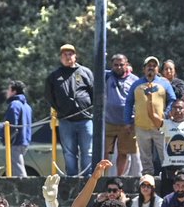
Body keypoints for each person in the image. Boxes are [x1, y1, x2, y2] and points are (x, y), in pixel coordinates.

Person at [46, 43, 95, 177]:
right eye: (65, 55)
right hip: (65, 120)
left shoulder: (86, 72)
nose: (68, 57)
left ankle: (87, 177)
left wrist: (89, 109)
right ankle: (71, 178)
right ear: (60, 57)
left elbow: (94, 93)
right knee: (69, 152)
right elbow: (49, 96)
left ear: (75, 56)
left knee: (88, 151)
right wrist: (61, 109)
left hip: (85, 119)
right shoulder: (54, 76)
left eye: (70, 54)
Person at [125, 55, 177, 178]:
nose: (151, 68)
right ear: (144, 69)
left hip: (160, 125)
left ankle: (168, 178)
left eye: (154, 66)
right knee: (145, 156)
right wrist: (127, 121)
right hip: (141, 125)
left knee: (165, 154)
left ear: (158, 69)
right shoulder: (136, 84)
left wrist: (166, 114)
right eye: (149, 66)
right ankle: (147, 179)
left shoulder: (164, 83)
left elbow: (172, 99)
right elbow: (128, 103)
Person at [103, 54, 140, 176]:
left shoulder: (134, 80)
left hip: (126, 123)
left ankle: (119, 177)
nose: (118, 67)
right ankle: (101, 176)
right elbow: (98, 70)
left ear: (126, 64)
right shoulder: (107, 76)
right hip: (109, 121)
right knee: (105, 151)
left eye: (121, 65)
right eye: (116, 65)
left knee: (123, 152)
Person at [5, 80, 33, 175]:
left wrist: (6, 138)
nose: (7, 92)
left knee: (17, 169)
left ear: (14, 91)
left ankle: (23, 185)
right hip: (24, 141)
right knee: (16, 167)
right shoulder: (27, 106)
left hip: (16, 141)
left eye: (9, 89)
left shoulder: (14, 104)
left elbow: (12, 124)